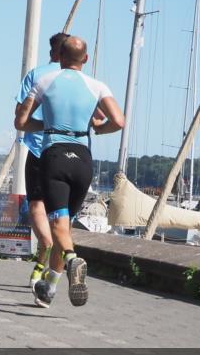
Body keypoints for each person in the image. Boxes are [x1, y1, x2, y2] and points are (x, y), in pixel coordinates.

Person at [14, 36, 124, 310]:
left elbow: (21, 121)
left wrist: (48, 125)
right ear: (85, 59)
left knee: (58, 226)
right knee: (66, 226)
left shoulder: (45, 82)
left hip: (55, 156)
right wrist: (98, 128)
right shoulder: (98, 86)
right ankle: (48, 289)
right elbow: (118, 121)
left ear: (59, 56)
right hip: (83, 160)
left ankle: (74, 259)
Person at [15, 32, 68, 289]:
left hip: (38, 149)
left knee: (36, 204)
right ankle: (55, 273)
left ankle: (45, 245)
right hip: (71, 154)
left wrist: (43, 126)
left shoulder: (37, 75)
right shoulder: (80, 80)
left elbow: (19, 115)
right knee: (62, 215)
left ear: (52, 51)